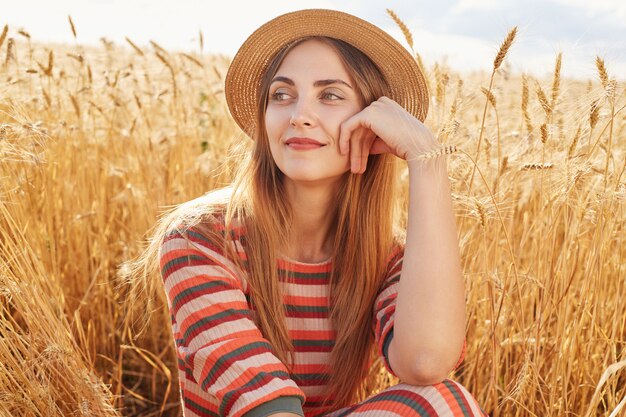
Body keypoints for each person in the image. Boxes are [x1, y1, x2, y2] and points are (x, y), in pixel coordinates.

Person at [148, 8, 486, 417]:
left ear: (371, 123)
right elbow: (267, 409)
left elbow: (426, 362)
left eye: (329, 95)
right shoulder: (200, 238)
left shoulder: (386, 255)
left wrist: (426, 159)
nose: (299, 115)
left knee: (442, 400)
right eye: (281, 95)